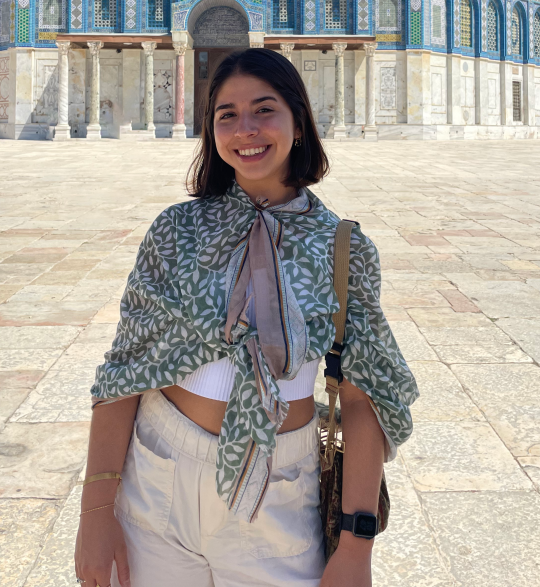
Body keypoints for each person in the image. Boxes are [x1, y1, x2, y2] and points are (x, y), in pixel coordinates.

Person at [75, 48, 418, 587]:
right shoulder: (176, 232)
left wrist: (356, 546)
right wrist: (95, 513)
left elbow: (362, 395)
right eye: (226, 115)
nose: (246, 130)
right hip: (159, 475)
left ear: (298, 123)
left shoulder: (342, 248)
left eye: (264, 109)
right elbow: (125, 372)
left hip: (281, 487)